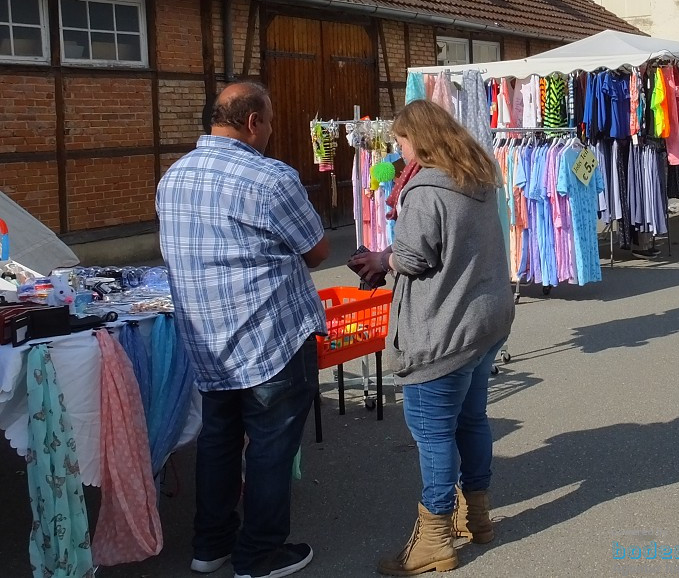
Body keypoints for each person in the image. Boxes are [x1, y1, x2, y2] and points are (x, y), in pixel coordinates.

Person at [156, 81, 328, 578]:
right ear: (253, 120)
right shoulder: (270, 177)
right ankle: (260, 555)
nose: (271, 130)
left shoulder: (174, 176)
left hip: (207, 339)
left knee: (219, 441)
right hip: (269, 336)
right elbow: (316, 250)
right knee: (272, 447)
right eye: (270, 121)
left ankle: (210, 546)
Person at [349, 99, 515, 576]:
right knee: (471, 419)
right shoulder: (477, 177)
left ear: (418, 139)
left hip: (444, 328)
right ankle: (477, 515)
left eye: (400, 142)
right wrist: (392, 255)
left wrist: (383, 261)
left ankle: (436, 536)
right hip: (484, 322)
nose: (399, 152)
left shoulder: (426, 189)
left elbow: (417, 257)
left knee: (433, 433)